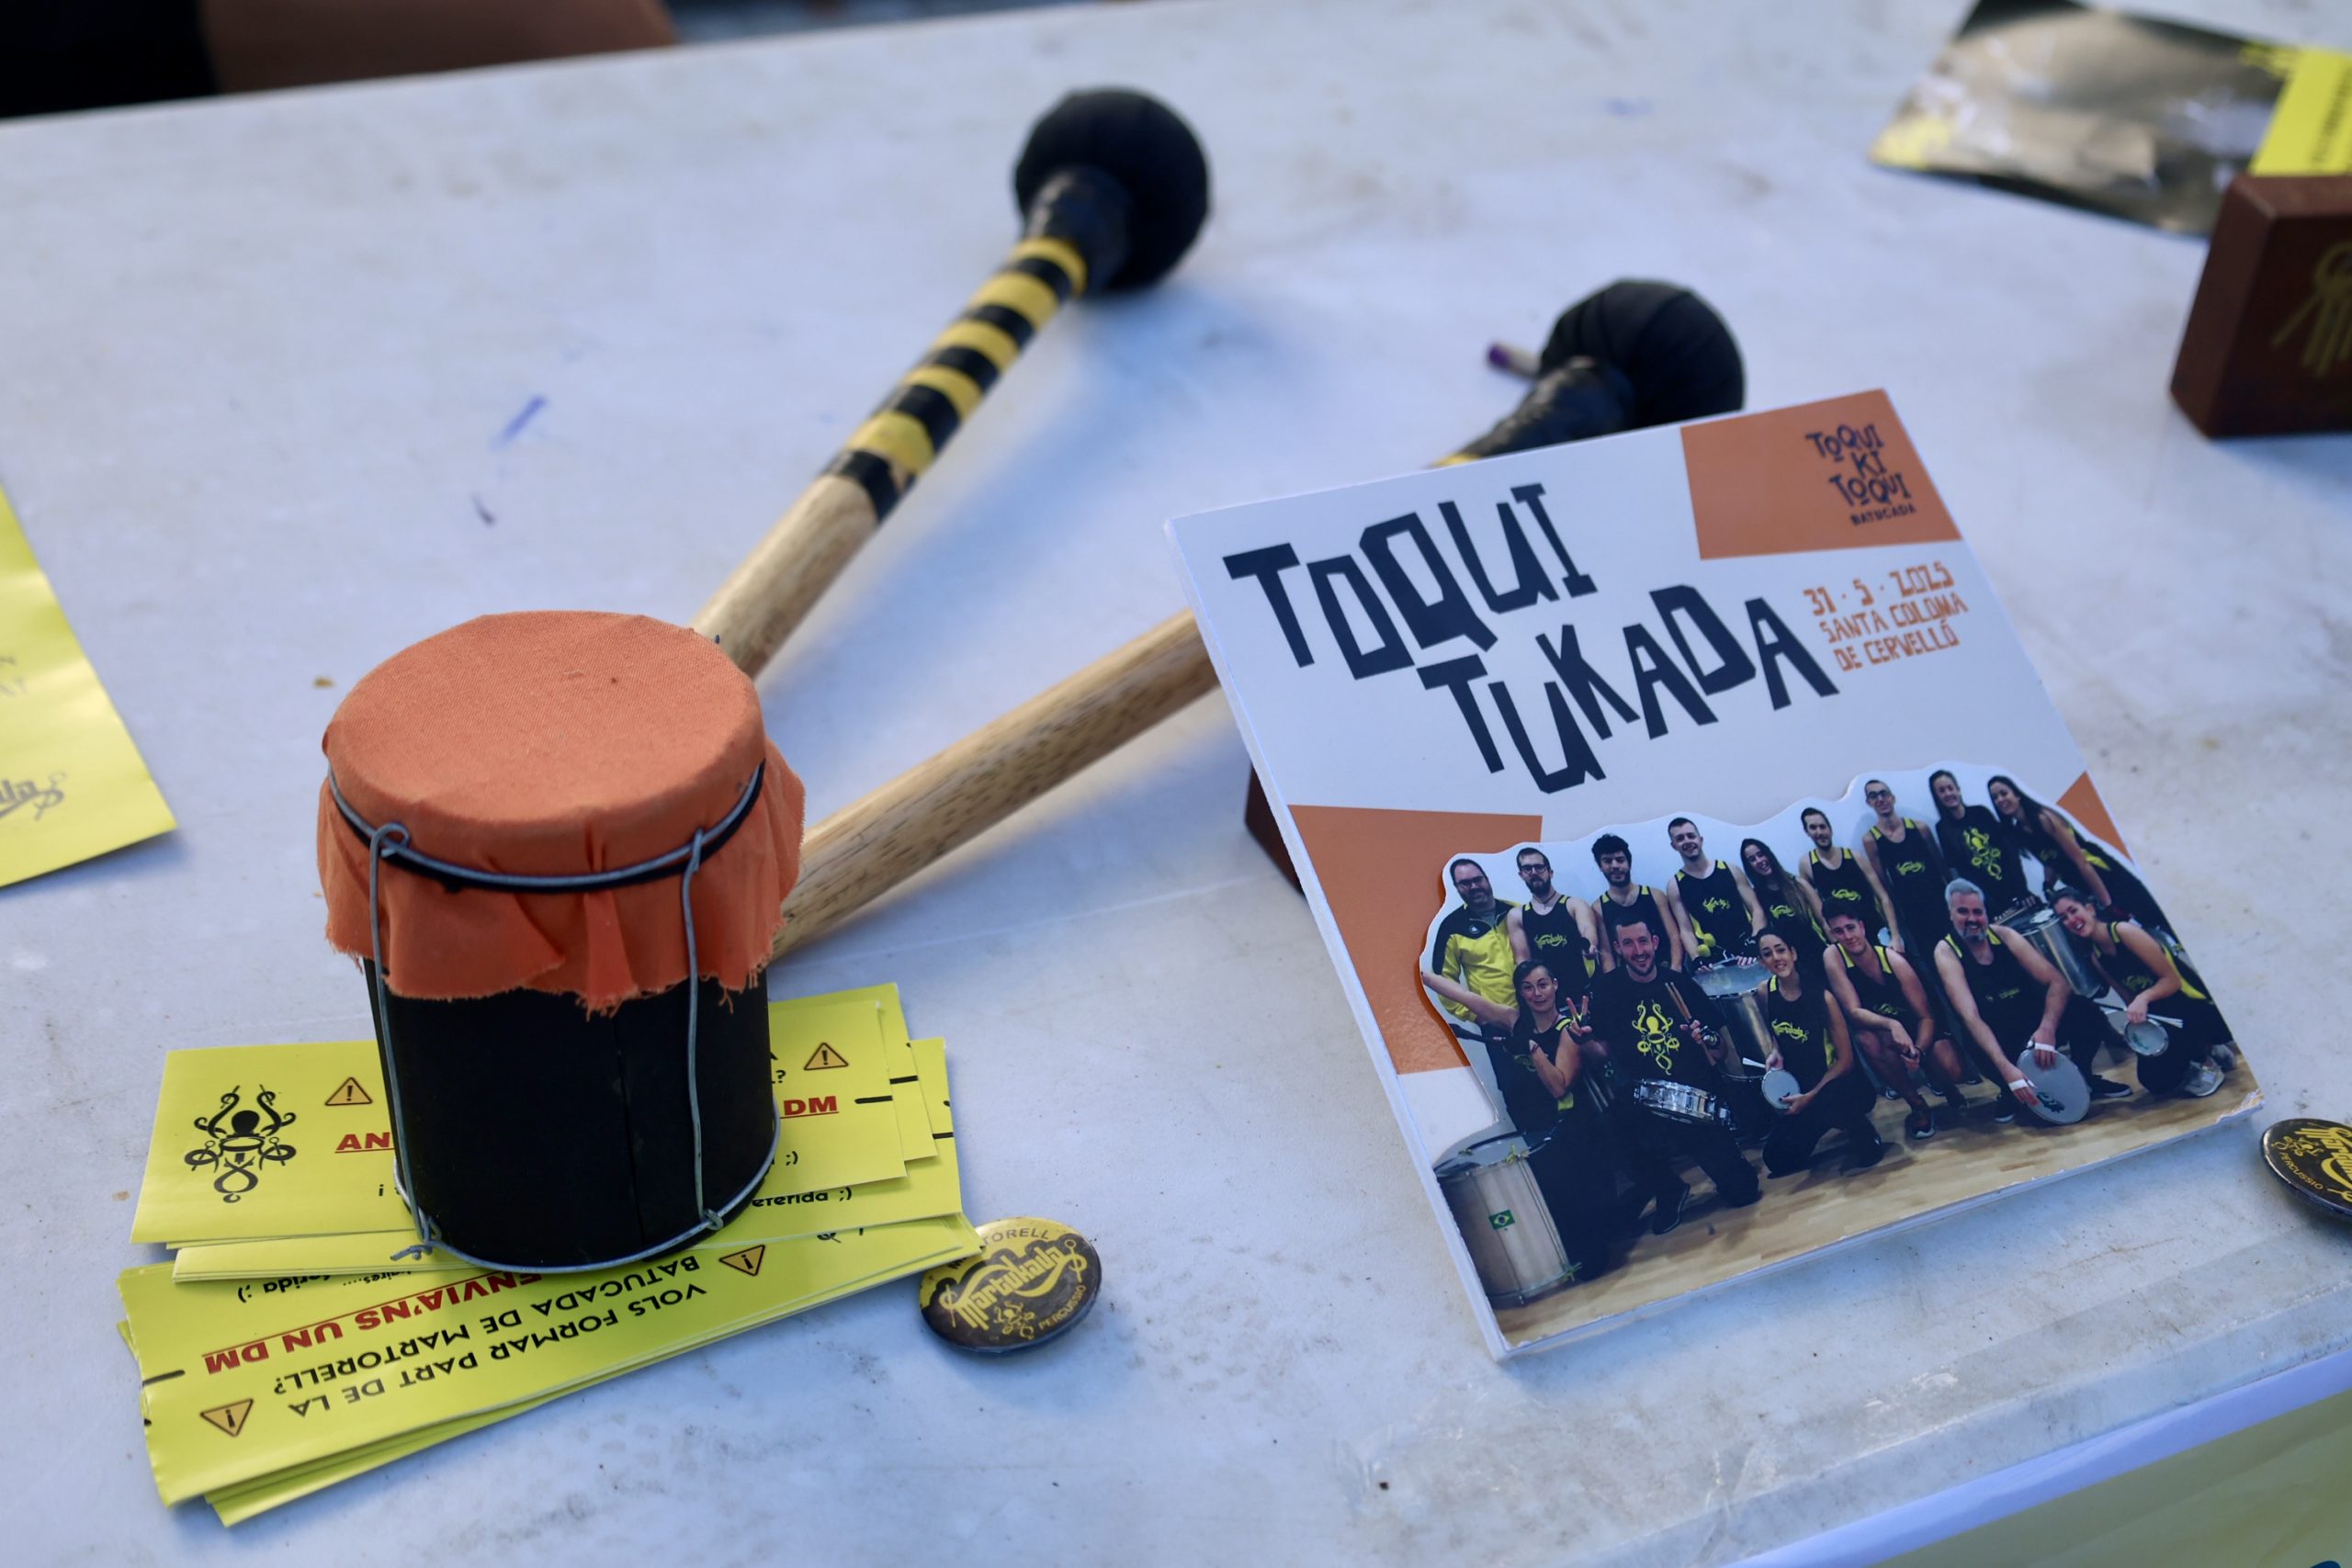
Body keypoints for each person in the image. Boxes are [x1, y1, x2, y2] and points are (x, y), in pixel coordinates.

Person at [1420, 959, 1620, 1279]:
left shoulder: (1567, 1030)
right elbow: (1468, 998)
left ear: (1554, 986)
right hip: (1536, 1128)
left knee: (1582, 1200)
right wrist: (1420, 977)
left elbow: (1558, 1086)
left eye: (1542, 985)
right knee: (1554, 1197)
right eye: (1528, 988)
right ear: (1520, 993)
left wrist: (1532, 1050)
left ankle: (1597, 1254)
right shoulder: (1515, 1020)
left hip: (1574, 1127)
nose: (1537, 993)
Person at [1585, 913, 1761, 1233]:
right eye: (1628, 944)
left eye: (1643, 941)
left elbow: (1721, 1051)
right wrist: (1584, 1042)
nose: (1638, 951)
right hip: (1644, 1098)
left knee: (1744, 1192)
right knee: (1606, 1129)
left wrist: (1706, 1039)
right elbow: (1602, 1054)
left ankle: (1731, 1165)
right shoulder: (1607, 991)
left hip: (1694, 1097)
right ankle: (1668, 1189)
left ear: (1655, 943)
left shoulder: (1680, 984)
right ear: (1618, 948)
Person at [1933, 878, 2128, 1120]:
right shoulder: (1946, 952)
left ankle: (2084, 1076)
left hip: (2031, 1025)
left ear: (1985, 913)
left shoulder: (2005, 936)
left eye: (1978, 912)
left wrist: (2047, 1028)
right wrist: (2005, 1068)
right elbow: (1970, 1017)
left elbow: (2058, 982)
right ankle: (2009, 1091)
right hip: (1996, 1036)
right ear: (1950, 914)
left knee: (2086, 1010)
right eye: (1963, 912)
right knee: (1980, 1047)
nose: (1972, 919)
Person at [2051, 888, 2237, 1091]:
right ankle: (2199, 1052)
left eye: (2073, 911)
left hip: (2190, 1004)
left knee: (2178, 1041)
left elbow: (2172, 981)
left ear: (2089, 909)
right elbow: (2129, 1000)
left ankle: (2207, 1054)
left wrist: (2144, 998)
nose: (2071, 920)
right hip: (2160, 1015)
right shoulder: (2097, 957)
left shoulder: (2124, 932)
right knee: (2153, 1082)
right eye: (2064, 918)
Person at [1821, 908, 1971, 1139]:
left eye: (1850, 928)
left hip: (1919, 1028)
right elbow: (1853, 1011)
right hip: (1886, 1033)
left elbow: (1926, 1017)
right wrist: (1892, 1024)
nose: (1847, 936)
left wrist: (1918, 1050)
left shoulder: (1894, 961)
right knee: (1866, 1039)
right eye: (1839, 931)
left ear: (1862, 927)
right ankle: (1917, 1105)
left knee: (1953, 1069)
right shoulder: (1834, 956)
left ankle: (1944, 1083)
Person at [1756, 926, 1884, 1175]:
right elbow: (1775, 1032)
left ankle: (1857, 1126)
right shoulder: (1764, 993)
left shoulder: (1823, 997)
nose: (1776, 958)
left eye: (1780, 950)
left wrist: (1811, 1096)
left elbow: (1846, 1062)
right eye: (1768, 954)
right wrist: (1776, 1052)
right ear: (1762, 962)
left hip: (1835, 1085)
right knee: (1777, 1159)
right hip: (1801, 1091)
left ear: (1793, 953)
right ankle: (1819, 1123)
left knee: (1868, 1154)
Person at [1988, 774, 2176, 938]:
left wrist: (2107, 903)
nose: (2000, 799)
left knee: (2155, 920)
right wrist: (2048, 886)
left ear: (2017, 794)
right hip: (2084, 886)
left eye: (2004, 793)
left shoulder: (2044, 818)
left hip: (2105, 876)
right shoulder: (2020, 831)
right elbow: (2050, 860)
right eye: (1995, 797)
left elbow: (2081, 861)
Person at [1860, 778, 1952, 957]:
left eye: (1884, 794)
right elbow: (1884, 883)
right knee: (1934, 957)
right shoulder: (1871, 840)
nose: (1880, 799)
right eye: (1874, 796)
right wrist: (1900, 916)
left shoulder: (1920, 828)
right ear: (1869, 802)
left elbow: (1942, 867)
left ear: (1892, 797)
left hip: (1940, 902)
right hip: (1913, 912)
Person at [1428, 858, 1517, 1037]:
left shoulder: (1517, 911)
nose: (1474, 886)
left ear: (1487, 880)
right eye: (1465, 883)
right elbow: (1442, 980)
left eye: (1477, 880)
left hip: (1539, 1012)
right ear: (1457, 887)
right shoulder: (1451, 928)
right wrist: (1477, 1016)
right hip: (1496, 1022)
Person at [1662, 818, 1765, 964]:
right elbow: (1685, 930)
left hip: (1750, 950)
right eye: (1680, 838)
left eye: (1691, 836)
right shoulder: (1675, 886)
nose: (1687, 841)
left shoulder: (1731, 870)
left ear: (1700, 839)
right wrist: (1696, 958)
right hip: (1715, 960)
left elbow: (1757, 910)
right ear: (1674, 846)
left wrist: (1754, 942)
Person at [1505, 846, 1601, 1002]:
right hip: (1547, 1000)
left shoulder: (1574, 905)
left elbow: (1587, 929)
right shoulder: (1517, 916)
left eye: (1539, 867)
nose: (1534, 872)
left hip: (1585, 992)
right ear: (1521, 875)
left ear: (1550, 872)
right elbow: (1523, 961)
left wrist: (1589, 945)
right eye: (1527, 869)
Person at [1930, 771, 2031, 914]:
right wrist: (1982, 903)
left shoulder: (1981, 813)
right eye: (1941, 791)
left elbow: (2010, 852)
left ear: (1958, 789)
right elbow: (1961, 872)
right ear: (1936, 796)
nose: (1948, 793)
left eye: (1950, 788)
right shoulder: (1942, 829)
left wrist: (2022, 889)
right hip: (1987, 904)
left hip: (2015, 890)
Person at [1796, 807, 1898, 942]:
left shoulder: (1855, 857)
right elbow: (1819, 915)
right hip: (1846, 939)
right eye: (1813, 828)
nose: (1819, 832)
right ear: (1807, 831)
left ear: (1830, 829)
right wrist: (1835, 943)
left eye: (1822, 827)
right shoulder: (1807, 864)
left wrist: (1895, 936)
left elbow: (1884, 897)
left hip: (1875, 929)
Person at [1591, 833, 1686, 972]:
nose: (1615, 866)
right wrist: (1612, 982)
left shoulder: (1656, 896)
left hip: (1666, 970)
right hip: (1629, 979)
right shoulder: (1598, 908)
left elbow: (1674, 936)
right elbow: (1607, 953)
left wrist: (1675, 969)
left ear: (1629, 863)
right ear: (1600, 866)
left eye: (1620, 860)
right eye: (1607, 861)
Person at [1741, 837, 1826, 946]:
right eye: (1752, 859)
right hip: (1785, 953)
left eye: (1761, 855)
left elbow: (1824, 921)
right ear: (1749, 865)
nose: (1759, 861)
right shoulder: (1757, 896)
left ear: (1769, 855)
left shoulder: (1799, 884)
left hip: (1816, 948)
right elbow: (1760, 925)